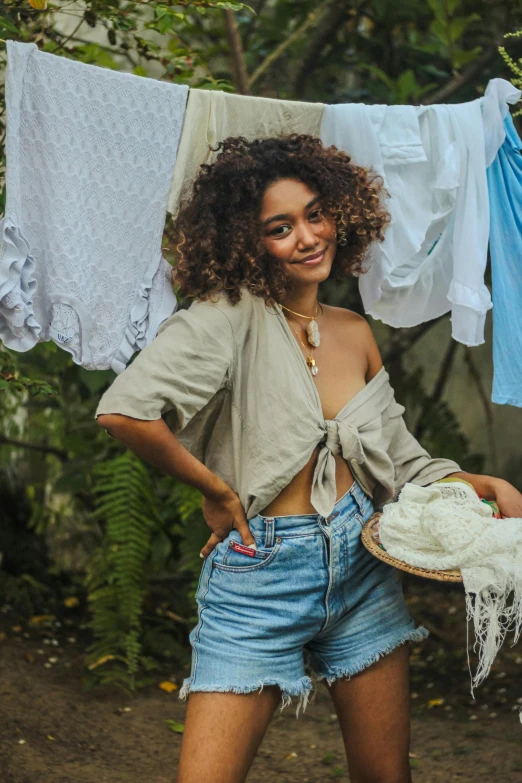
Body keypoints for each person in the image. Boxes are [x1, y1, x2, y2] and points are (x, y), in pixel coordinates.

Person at [96, 135, 522, 783]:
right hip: (259, 577)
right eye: (280, 226)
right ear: (245, 238)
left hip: (362, 568)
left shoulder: (353, 332)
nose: (307, 236)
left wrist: (478, 480)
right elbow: (125, 409)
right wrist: (215, 488)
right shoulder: (224, 319)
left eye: (316, 214)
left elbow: (403, 466)